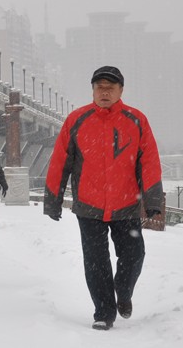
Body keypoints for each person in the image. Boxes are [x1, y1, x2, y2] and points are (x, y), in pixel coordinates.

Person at [43, 66, 162, 331]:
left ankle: (124, 291)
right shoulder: (77, 120)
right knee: (96, 262)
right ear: (93, 90)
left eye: (110, 87)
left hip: (126, 204)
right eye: (100, 87)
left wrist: (153, 201)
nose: (105, 92)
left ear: (121, 90)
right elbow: (60, 161)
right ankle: (104, 312)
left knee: (134, 255)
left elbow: (150, 162)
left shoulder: (136, 120)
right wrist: (53, 199)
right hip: (89, 206)